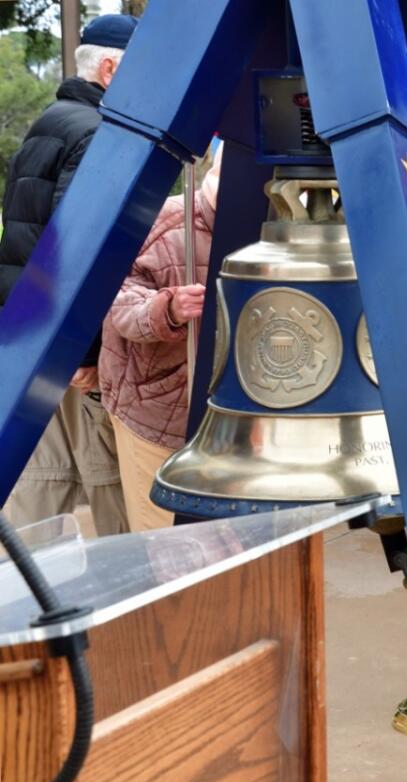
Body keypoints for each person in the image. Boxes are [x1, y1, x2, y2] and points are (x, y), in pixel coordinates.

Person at [0, 14, 140, 535]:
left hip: (28, 334)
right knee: (110, 486)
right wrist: (82, 355)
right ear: (109, 68)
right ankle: (124, 615)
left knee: (42, 487)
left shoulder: (51, 121)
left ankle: (25, 609)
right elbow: (73, 251)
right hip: (71, 349)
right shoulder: (96, 133)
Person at [99, 145, 220, 532]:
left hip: (228, 413)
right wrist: (166, 309)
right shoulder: (161, 221)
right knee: (162, 542)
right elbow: (114, 300)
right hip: (155, 408)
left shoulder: (275, 227)